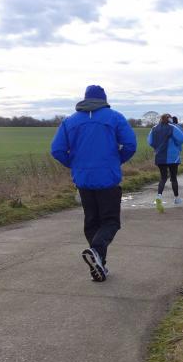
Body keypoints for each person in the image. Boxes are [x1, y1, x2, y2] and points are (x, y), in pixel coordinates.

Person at [50, 85, 136, 282]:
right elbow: (130, 145)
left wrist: (75, 164)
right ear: (104, 99)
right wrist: (117, 160)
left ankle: (99, 265)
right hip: (108, 178)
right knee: (111, 221)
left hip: (83, 180)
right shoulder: (115, 117)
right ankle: (96, 252)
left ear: (85, 98)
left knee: (92, 222)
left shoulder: (70, 121)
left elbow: (57, 150)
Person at [148, 113, 183, 211]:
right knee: (173, 178)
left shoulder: (154, 128)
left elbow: (150, 141)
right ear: (169, 119)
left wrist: (157, 147)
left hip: (160, 157)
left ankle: (159, 196)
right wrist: (176, 145)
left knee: (163, 178)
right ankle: (176, 198)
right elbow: (182, 138)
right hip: (173, 157)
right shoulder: (172, 127)